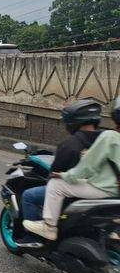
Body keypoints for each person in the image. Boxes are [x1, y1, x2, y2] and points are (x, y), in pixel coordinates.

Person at [23, 97, 120, 241]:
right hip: (114, 194)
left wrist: (64, 176)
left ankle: (46, 229)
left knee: (47, 188)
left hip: (102, 189)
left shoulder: (107, 137)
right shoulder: (102, 135)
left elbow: (88, 166)